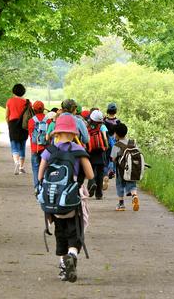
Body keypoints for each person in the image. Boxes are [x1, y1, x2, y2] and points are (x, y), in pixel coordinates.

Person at [38, 115, 94, 283]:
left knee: (60, 233)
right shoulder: (78, 151)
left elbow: (40, 176)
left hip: (54, 201)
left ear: (57, 132)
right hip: (73, 199)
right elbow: (91, 175)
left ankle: (63, 269)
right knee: (75, 232)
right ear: (72, 133)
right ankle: (72, 255)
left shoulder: (49, 151)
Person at [110, 123, 139, 211]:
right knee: (132, 184)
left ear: (116, 134)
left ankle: (121, 204)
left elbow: (113, 158)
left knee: (120, 185)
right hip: (132, 169)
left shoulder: (116, 145)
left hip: (121, 170)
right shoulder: (132, 143)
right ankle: (134, 195)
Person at [5, 83, 29, 175]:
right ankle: (21, 167)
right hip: (23, 125)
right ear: (23, 92)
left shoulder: (10, 101)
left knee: (14, 144)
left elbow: (6, 116)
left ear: (13, 91)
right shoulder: (27, 102)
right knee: (22, 145)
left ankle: (16, 162)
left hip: (13, 124)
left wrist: (9, 125)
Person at [86, 109, 109, 199]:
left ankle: (91, 184)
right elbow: (105, 138)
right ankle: (99, 194)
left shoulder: (87, 126)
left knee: (91, 171)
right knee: (100, 173)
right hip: (100, 152)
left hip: (91, 152)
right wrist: (106, 148)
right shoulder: (102, 126)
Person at [28, 100, 47, 191]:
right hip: (46, 148)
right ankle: (45, 186)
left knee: (35, 167)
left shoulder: (31, 121)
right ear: (43, 109)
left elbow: (31, 135)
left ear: (34, 110)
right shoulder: (48, 120)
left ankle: (37, 187)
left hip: (35, 147)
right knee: (46, 167)